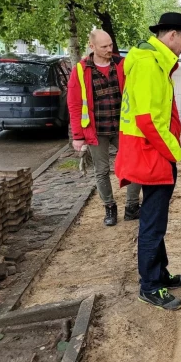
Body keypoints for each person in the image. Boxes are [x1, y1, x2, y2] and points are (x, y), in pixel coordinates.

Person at [115, 12, 181, 310]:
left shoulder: (149, 60)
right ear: (171, 35)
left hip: (149, 151)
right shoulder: (150, 64)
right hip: (152, 153)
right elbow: (148, 119)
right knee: (152, 223)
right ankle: (150, 286)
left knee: (156, 220)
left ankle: (159, 274)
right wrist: (174, 152)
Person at [67, 29, 141, 226]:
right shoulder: (81, 70)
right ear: (92, 47)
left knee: (135, 165)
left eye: (110, 45)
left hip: (123, 128)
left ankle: (132, 206)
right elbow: (74, 104)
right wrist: (77, 135)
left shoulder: (121, 64)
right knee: (101, 170)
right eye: (104, 46)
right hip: (96, 129)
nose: (110, 49)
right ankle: (109, 207)